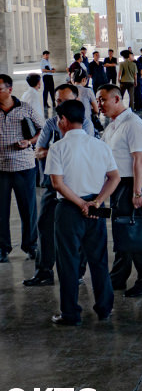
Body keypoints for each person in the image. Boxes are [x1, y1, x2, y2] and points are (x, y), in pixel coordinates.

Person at [43, 100, 119, 325]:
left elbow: (57, 184)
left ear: (63, 121)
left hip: (68, 210)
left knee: (68, 263)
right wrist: (96, 201)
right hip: (96, 209)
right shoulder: (100, 145)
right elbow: (114, 177)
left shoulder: (57, 148)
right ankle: (104, 308)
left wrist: (80, 204)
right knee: (99, 260)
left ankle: (71, 314)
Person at [97, 84, 142, 298]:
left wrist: (137, 192)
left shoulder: (133, 124)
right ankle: (118, 277)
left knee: (137, 234)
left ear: (116, 99)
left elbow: (139, 160)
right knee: (122, 233)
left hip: (133, 184)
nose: (99, 104)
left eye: (103, 99)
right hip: (118, 185)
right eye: (98, 100)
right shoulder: (113, 125)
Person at [25, 84, 84, 287]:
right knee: (45, 225)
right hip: (52, 184)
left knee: (80, 227)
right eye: (58, 101)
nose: (60, 105)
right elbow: (38, 152)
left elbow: (85, 152)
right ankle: (44, 271)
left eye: (65, 101)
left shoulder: (85, 123)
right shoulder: (51, 123)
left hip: (78, 185)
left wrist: (57, 152)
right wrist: (59, 153)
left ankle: (78, 270)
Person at [0, 74, 43, 263]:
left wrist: (29, 142)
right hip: (1, 168)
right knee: (1, 211)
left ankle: (30, 245)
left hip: (24, 166)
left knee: (28, 209)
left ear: (9, 90)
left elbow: (42, 130)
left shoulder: (25, 109)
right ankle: (3, 248)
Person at [70, 69, 99, 138]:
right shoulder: (87, 91)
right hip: (86, 124)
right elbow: (96, 109)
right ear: (84, 79)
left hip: (71, 124)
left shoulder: (68, 90)